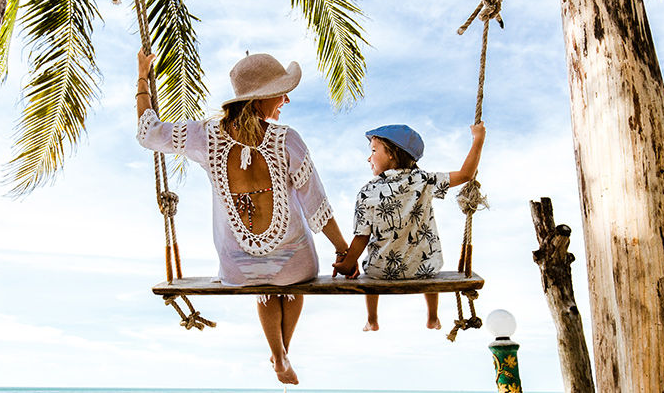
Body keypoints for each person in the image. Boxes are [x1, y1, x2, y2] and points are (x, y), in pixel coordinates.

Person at [134, 50, 351, 384]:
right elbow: (316, 206)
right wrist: (343, 251)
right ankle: (281, 356)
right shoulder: (287, 140)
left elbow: (149, 134)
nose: (287, 99)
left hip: (238, 265)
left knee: (262, 285)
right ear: (262, 98)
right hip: (296, 262)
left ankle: (279, 356)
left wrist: (142, 77)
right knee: (294, 282)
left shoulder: (205, 136)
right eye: (281, 91)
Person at [332, 123, 485, 331]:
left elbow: (362, 236)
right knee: (428, 257)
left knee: (370, 269)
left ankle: (372, 319)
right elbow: (466, 174)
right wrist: (478, 138)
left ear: (393, 154)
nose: (369, 158)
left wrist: (348, 264)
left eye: (374, 151)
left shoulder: (367, 191)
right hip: (424, 270)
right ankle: (432, 317)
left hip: (381, 271)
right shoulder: (425, 180)